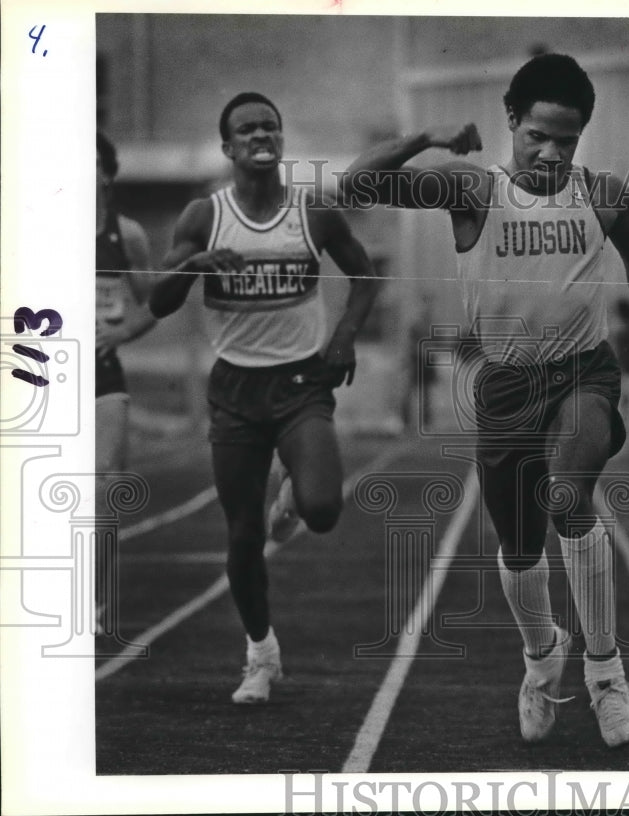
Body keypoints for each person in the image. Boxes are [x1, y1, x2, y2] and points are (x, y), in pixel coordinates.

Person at [343, 54, 629, 747]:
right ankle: (539, 657)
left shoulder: (603, 193)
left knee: (569, 496)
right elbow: (358, 184)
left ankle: (606, 676)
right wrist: (425, 138)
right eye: (538, 137)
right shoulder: (474, 190)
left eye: (568, 140)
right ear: (510, 123)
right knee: (519, 545)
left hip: (585, 373)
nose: (552, 154)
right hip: (506, 382)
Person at [149, 92, 380, 703]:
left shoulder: (314, 213)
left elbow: (366, 276)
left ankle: (294, 496)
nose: (260, 135)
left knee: (324, 508)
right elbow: (159, 300)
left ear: (281, 140)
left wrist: (346, 337)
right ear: (227, 147)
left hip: (301, 382)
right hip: (234, 390)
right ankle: (260, 654)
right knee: (243, 534)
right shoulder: (204, 216)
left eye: (270, 127)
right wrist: (198, 261)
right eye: (247, 129)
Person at [95, 132, 156, 636]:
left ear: (107, 174)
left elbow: (153, 303)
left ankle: (93, 601)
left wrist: (120, 330)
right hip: (43, 367)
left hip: (102, 369)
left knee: (105, 486)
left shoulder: (126, 234)